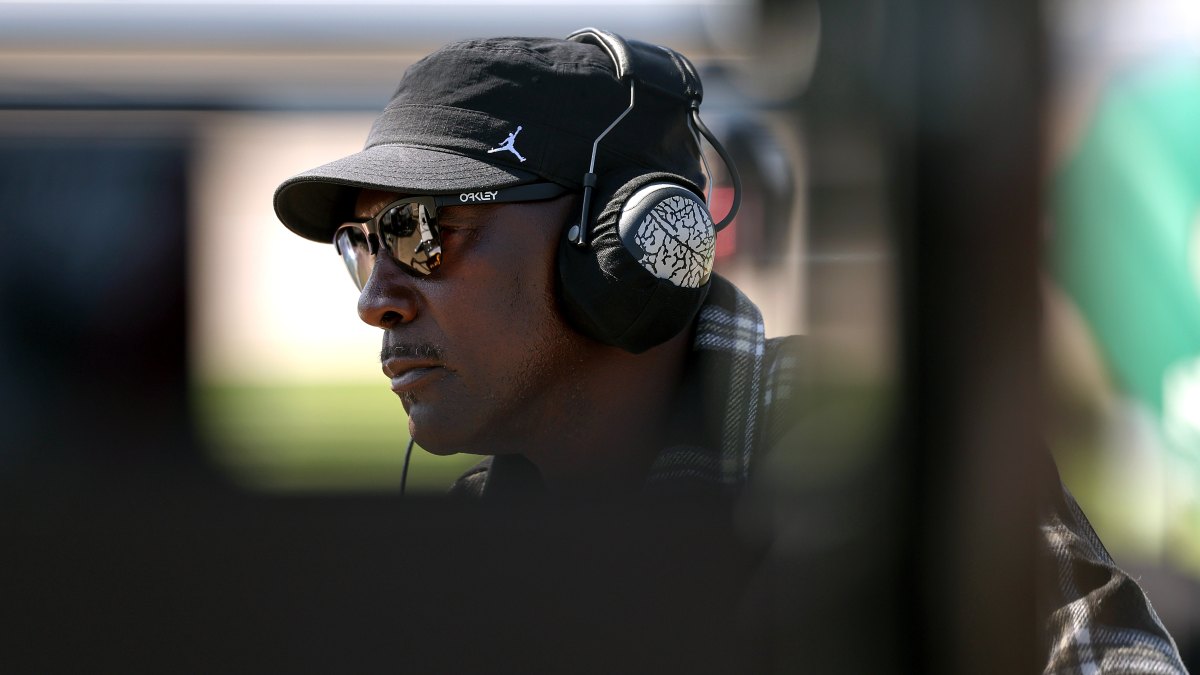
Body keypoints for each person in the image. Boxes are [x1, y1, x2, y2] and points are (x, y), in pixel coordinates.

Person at [273, 28, 1187, 673]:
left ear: (626, 243)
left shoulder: (867, 463)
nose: (375, 298)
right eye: (362, 244)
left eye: (420, 231)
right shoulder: (473, 544)